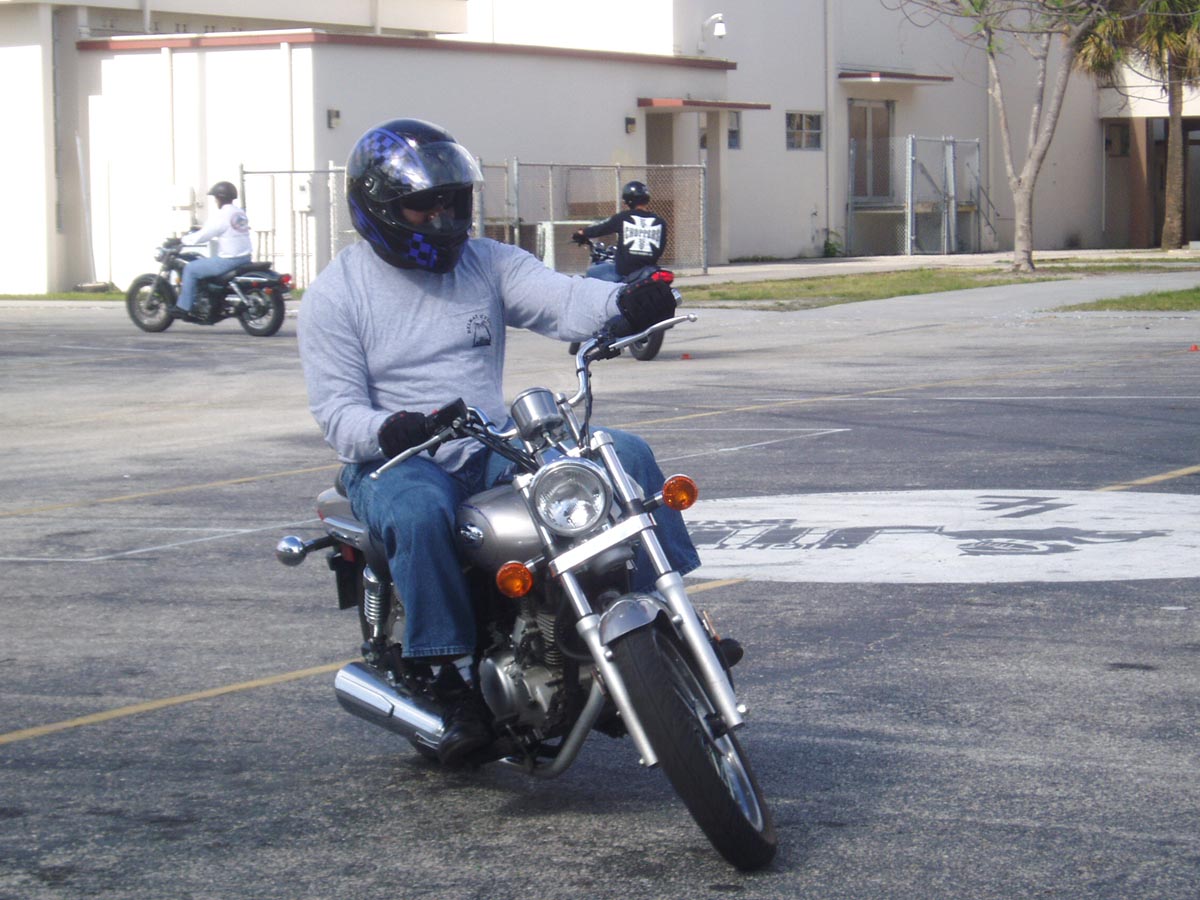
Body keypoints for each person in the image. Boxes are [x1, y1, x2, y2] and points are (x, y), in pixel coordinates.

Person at [297, 118, 700, 768]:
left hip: (485, 440)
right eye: (424, 205)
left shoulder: (484, 262)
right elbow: (338, 412)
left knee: (619, 454)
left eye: (453, 202)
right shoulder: (336, 296)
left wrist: (627, 301)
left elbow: (563, 299)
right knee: (419, 512)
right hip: (395, 458)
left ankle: (665, 615)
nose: (441, 218)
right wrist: (388, 428)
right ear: (379, 208)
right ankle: (443, 673)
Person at [172, 181, 253, 318]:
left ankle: (183, 308)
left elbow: (205, 234)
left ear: (220, 198)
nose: (215, 201)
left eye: (215, 197)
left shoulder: (222, 215)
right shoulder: (239, 213)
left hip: (229, 260)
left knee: (190, 269)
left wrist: (182, 240)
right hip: (245, 257)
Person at [571, 180, 668, 283]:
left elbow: (601, 228)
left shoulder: (623, 217)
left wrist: (582, 232)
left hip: (625, 272)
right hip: (649, 271)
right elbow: (661, 247)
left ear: (627, 200)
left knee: (593, 272)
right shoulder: (660, 222)